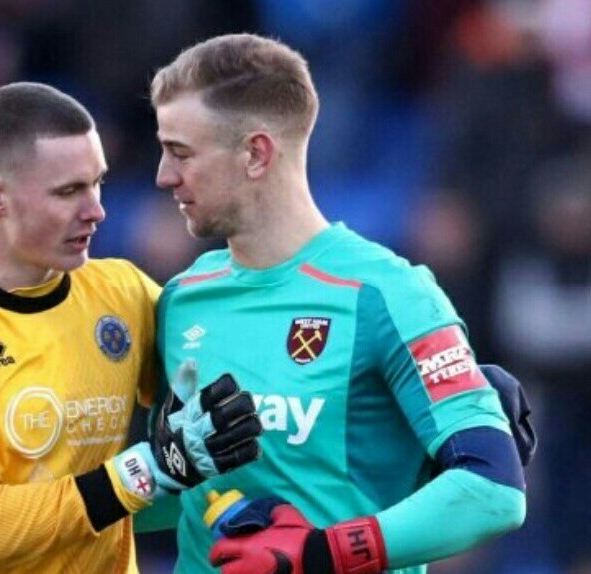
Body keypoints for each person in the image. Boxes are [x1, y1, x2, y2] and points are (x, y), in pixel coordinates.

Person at [144, 34, 527, 574]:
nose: (164, 175)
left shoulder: (387, 295)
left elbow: (494, 491)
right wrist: (163, 469)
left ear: (256, 153)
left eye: (181, 153)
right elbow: (167, 505)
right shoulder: (181, 299)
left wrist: (321, 554)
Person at [0, 82, 261, 573]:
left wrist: (233, 503)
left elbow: (211, 431)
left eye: (98, 183)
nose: (96, 210)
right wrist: (147, 471)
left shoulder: (124, 294)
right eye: (69, 191)